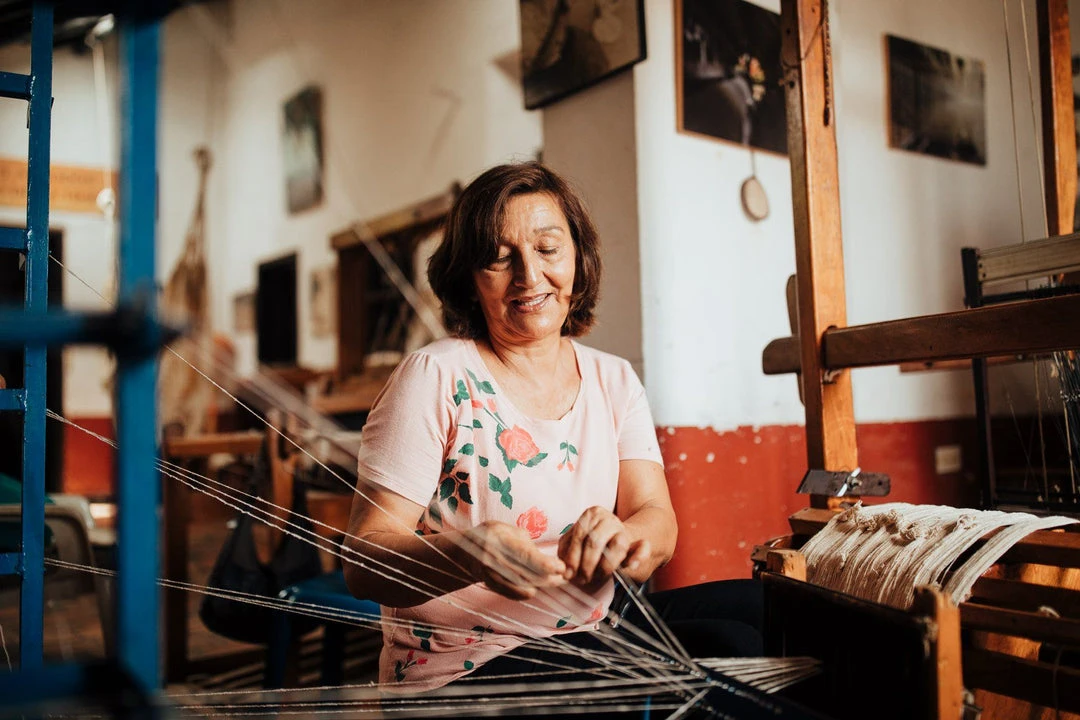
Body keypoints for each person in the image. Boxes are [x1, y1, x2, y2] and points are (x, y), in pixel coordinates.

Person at [343, 162, 762, 700]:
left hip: (585, 633)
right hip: (464, 669)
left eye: (547, 249)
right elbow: (361, 563)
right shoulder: (436, 376)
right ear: (469, 279)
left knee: (764, 615)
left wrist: (628, 539)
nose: (528, 277)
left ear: (578, 259)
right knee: (727, 654)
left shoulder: (613, 379)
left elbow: (657, 519)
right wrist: (467, 554)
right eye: (499, 257)